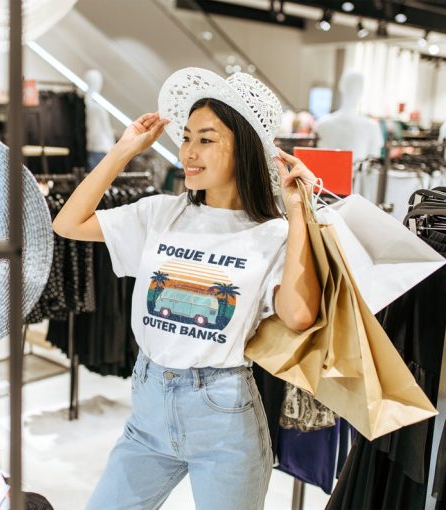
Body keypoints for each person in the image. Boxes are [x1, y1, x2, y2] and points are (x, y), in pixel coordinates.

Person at [53, 67, 320, 510]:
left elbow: (298, 315)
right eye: (187, 137)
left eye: (207, 139)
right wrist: (123, 150)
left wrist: (297, 216)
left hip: (224, 417)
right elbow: (68, 223)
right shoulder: (160, 214)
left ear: (244, 149)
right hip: (149, 408)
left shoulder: (270, 234)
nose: (188, 152)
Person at [314, 70, 383, 161]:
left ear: (341, 86)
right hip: (329, 174)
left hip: (328, 174)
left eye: (357, 86)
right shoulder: (371, 127)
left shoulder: (322, 123)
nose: (354, 90)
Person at [84, 69, 116, 170]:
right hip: (101, 149)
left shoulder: (85, 105)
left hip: (94, 148)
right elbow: (106, 130)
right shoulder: (96, 108)